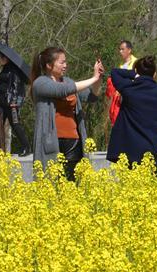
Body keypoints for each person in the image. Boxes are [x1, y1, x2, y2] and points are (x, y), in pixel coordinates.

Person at [31, 47, 104, 181]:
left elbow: (92, 96)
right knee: (51, 181)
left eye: (66, 62)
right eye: (61, 62)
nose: (65, 65)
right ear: (48, 65)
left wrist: (98, 78)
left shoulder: (69, 82)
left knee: (72, 181)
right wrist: (93, 78)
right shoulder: (40, 83)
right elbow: (62, 91)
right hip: (51, 141)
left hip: (73, 140)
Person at [106, 56, 157, 166]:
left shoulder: (128, 88)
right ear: (154, 74)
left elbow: (114, 72)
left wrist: (134, 74)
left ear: (136, 71)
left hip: (130, 150)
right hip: (155, 149)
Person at [0, 54, 31, 156]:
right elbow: (5, 84)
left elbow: (16, 87)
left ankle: (26, 147)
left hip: (11, 102)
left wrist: (14, 102)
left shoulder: (14, 70)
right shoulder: (5, 69)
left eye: (1, 57)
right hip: (2, 101)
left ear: (7, 58)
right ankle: (1, 149)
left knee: (15, 124)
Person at [105, 40, 138, 125]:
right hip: (119, 102)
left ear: (129, 50)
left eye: (123, 49)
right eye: (120, 49)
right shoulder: (120, 66)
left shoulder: (137, 63)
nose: (120, 52)